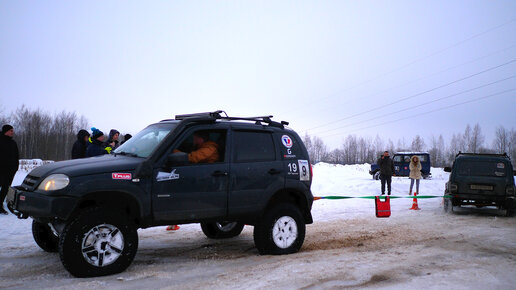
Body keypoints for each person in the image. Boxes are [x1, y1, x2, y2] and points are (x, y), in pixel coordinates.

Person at [167, 131, 219, 231]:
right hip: (202, 176)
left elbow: (192, 158)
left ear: (201, 139)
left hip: (208, 178)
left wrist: (173, 151)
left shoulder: (209, 148)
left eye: (195, 138)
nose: (193, 140)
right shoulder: (202, 147)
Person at [0, 125, 19, 214]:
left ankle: (0, 206)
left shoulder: (13, 143)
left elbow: (16, 156)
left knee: (5, 189)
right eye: (11, 130)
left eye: (12, 130)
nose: (12, 132)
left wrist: (15, 168)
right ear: (6, 131)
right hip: (1, 170)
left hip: (10, 171)